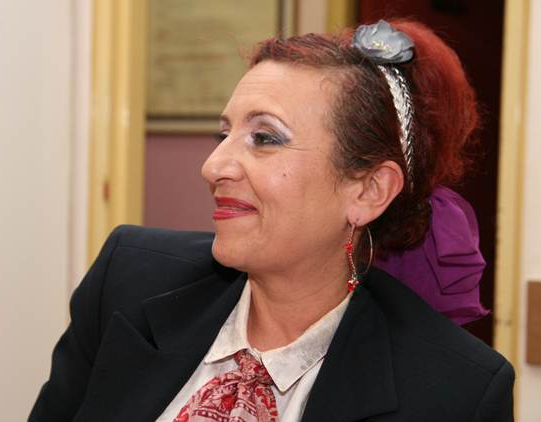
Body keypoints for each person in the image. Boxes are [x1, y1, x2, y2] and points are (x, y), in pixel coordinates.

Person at [29, 19, 514, 421]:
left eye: (265, 138)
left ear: (368, 191)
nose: (213, 167)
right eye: (223, 134)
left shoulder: (455, 391)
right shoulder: (127, 282)